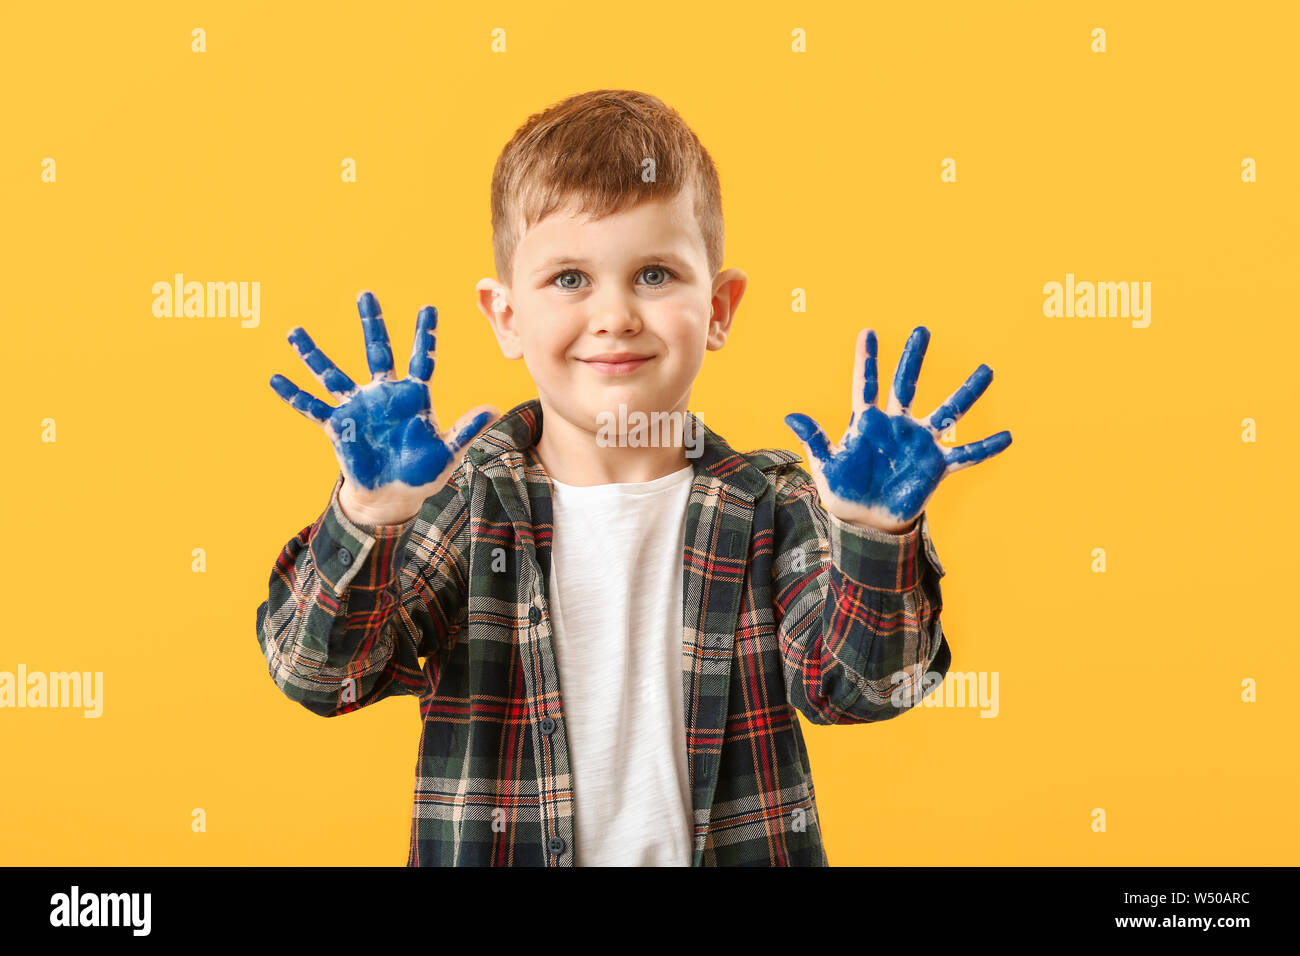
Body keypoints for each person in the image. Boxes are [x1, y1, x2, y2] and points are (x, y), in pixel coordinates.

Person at [255, 89, 1012, 866]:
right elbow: (317, 673)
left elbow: (866, 689)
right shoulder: (459, 502)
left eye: (654, 274)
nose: (615, 314)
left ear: (719, 308)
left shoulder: (776, 506)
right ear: (506, 316)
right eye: (570, 280)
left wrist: (875, 535)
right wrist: (371, 513)